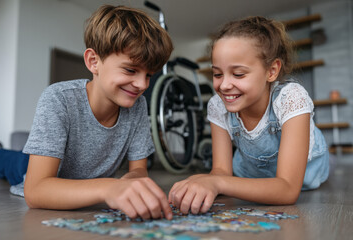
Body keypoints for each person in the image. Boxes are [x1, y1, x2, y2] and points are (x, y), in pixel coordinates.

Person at [23, 5, 174, 220]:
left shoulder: (137, 106)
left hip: (89, 185)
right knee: (7, 162)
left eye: (149, 75)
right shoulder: (58, 98)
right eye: (130, 70)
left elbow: (139, 171)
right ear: (93, 62)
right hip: (37, 169)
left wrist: (132, 182)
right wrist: (109, 188)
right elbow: (36, 190)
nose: (142, 85)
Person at [169, 16, 330, 214]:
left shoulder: (290, 98)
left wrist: (218, 182)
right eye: (218, 74)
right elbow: (221, 171)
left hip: (304, 176)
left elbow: (287, 189)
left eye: (238, 74)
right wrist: (208, 180)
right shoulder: (218, 105)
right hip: (250, 173)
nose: (224, 85)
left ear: (271, 71)